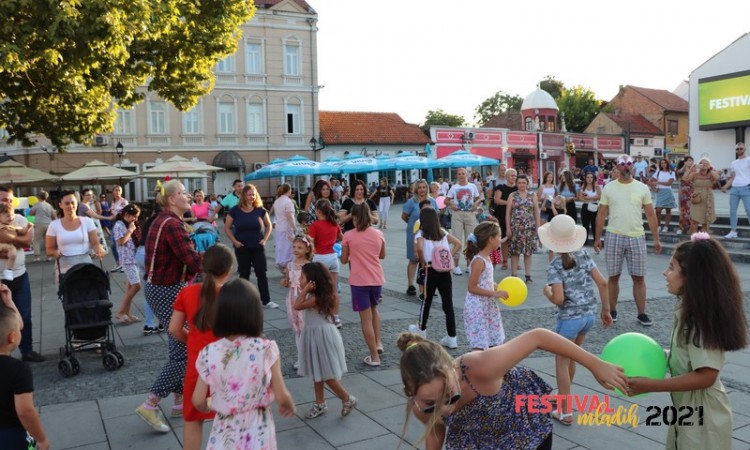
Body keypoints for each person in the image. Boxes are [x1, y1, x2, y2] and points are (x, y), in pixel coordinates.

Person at [397, 327, 629, 450]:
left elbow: (538, 336)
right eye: (431, 404)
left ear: (452, 370)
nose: (445, 409)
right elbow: (436, 428)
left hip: (521, 425)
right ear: (411, 394)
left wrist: (595, 364)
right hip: (476, 439)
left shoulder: (481, 367)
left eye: (449, 396)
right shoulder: (420, 407)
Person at [627, 234, 748, 449]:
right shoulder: (689, 310)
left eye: (671, 268)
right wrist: (660, 355)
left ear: (692, 277)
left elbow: (707, 375)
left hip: (704, 415)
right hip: (687, 409)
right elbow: (689, 357)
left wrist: (652, 385)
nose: (665, 274)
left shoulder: (699, 319)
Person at [193, 278, 296, 449]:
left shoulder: (209, 353)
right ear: (255, 314)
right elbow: (281, 394)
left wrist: (210, 405)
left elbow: (198, 400)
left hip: (225, 432)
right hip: (258, 432)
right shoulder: (266, 349)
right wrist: (288, 404)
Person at [135, 180, 203, 433]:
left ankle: (178, 400)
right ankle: (150, 404)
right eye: (184, 193)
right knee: (184, 351)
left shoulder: (161, 219)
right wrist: (218, 263)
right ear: (172, 199)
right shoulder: (173, 224)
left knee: (179, 347)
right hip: (168, 290)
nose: (188, 196)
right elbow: (192, 260)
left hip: (160, 288)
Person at [539, 214, 612, 424]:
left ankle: (565, 412)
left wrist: (547, 293)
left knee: (561, 363)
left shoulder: (554, 266)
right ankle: (563, 395)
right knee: (571, 358)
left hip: (570, 319)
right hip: (588, 315)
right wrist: (606, 310)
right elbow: (603, 283)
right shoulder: (584, 254)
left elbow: (560, 299)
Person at [167, 244, 234, 450]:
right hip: (228, 368)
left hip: (198, 368)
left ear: (203, 267)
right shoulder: (234, 295)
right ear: (228, 269)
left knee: (193, 419)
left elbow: (174, 329)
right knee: (230, 420)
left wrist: (193, 342)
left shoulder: (187, 293)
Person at [594, 154, 661, 326]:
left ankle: (642, 313)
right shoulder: (609, 188)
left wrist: (656, 238)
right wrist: (597, 238)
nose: (627, 167)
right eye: (623, 165)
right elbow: (601, 213)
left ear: (633, 166)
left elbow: (651, 214)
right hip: (614, 235)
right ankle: (612, 310)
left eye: (629, 164)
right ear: (617, 166)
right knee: (614, 276)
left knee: (639, 277)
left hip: (637, 236)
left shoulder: (642, 188)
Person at [294, 262, 358, 419]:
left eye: (302, 277)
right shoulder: (320, 295)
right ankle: (319, 402)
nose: (299, 279)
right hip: (317, 334)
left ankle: (347, 398)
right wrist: (306, 290)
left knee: (326, 373)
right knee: (318, 371)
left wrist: (304, 290)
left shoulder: (316, 298)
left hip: (321, 337)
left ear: (312, 282)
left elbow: (297, 305)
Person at [0, 297, 49, 450]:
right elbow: (25, 411)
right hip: (11, 436)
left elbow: (15, 323)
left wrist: (8, 300)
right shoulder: (17, 369)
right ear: (12, 337)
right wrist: (41, 439)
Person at [408, 207, 461, 347]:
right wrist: (448, 255)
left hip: (431, 269)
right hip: (444, 270)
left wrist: (423, 261)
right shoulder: (442, 232)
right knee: (447, 303)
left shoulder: (421, 233)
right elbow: (458, 243)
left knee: (427, 300)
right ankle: (452, 337)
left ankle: (421, 329)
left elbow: (419, 248)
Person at [0, 187, 42, 363]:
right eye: (3, 200)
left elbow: (27, 241)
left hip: (20, 274)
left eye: (10, 200)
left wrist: (8, 238)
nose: (7, 203)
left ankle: (27, 350)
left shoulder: (20, 218)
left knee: (25, 315)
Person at [341, 202, 385, 367]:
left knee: (365, 319)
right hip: (376, 278)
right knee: (374, 309)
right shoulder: (379, 234)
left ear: (355, 218)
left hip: (359, 281)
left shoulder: (349, 235)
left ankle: (374, 356)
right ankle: (378, 342)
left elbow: (344, 260)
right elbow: (382, 255)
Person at [224, 183, 278, 309]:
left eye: (254, 194)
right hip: (242, 247)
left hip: (258, 247)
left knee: (261, 273)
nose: (252, 197)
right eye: (249, 195)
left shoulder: (260, 210)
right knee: (244, 274)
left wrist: (265, 239)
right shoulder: (235, 211)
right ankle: (244, 300)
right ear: (244, 195)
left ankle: (266, 300)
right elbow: (227, 228)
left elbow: (269, 225)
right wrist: (235, 242)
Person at [462, 222, 508, 350]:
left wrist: (493, 285)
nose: (500, 239)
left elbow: (483, 280)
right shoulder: (478, 261)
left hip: (487, 305)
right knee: (480, 345)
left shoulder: (487, 257)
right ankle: (477, 368)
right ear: (490, 239)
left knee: (494, 341)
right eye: (499, 236)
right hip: (477, 307)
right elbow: (472, 287)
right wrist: (494, 293)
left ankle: (491, 368)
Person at [46, 190, 107, 281]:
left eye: (73, 203)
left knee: (88, 293)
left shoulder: (87, 221)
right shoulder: (54, 225)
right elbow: (49, 249)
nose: (70, 206)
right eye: (67, 203)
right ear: (60, 205)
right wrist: (55, 252)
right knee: (67, 294)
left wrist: (99, 249)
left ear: (77, 204)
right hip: (64, 265)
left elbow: (95, 243)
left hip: (85, 263)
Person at [309, 198, 344, 327]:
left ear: (318, 211)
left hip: (320, 258)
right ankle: (336, 317)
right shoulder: (334, 224)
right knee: (333, 290)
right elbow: (341, 238)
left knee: (319, 290)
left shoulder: (314, 226)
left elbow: (310, 243)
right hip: (333, 258)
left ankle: (321, 314)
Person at [281, 235, 314, 366]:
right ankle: (301, 357)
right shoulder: (290, 266)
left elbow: (312, 283)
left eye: (300, 247)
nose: (296, 249)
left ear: (307, 249)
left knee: (305, 326)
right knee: (297, 328)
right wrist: (284, 282)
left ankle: (309, 356)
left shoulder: (309, 266)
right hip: (292, 299)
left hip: (304, 298)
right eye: (294, 247)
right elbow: (288, 281)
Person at [401, 179, 437, 296]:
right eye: (420, 187)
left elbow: (435, 216)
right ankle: (410, 285)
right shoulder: (412, 202)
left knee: (428, 260)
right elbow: (404, 216)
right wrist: (414, 225)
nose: (422, 189)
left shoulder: (432, 201)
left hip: (429, 233)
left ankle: (428, 286)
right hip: (414, 233)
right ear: (416, 189)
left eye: (424, 187)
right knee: (414, 259)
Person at [445, 168, 482, 275]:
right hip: (457, 214)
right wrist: (451, 204)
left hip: (470, 214)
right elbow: (446, 200)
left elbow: (479, 198)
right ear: (457, 175)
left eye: (463, 173)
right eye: (459, 174)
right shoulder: (454, 187)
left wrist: (476, 204)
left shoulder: (472, 186)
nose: (461, 176)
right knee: (456, 238)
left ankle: (469, 265)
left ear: (467, 175)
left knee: (470, 240)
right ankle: (456, 266)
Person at [506, 174, 540, 283]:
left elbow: (536, 212)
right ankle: (514, 274)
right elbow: (508, 213)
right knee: (515, 252)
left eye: (524, 183)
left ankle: (528, 275)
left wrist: (537, 226)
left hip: (529, 227)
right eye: (519, 183)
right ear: (517, 184)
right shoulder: (512, 195)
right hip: (515, 227)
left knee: (528, 252)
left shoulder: (532, 195)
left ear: (527, 183)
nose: (522, 185)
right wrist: (508, 228)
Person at [112, 204, 142, 324]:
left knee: (130, 287)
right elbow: (120, 242)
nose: (135, 219)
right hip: (127, 259)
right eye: (134, 216)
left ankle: (127, 314)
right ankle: (120, 313)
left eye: (136, 217)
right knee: (136, 286)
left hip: (133, 258)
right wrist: (130, 231)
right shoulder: (119, 225)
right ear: (126, 215)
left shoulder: (128, 224)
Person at [721, 142, 750, 239]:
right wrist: (725, 186)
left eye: (741, 148)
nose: (739, 150)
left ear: (744, 149)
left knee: (749, 210)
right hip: (734, 188)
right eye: (737, 149)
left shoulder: (749, 160)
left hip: (746, 188)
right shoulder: (734, 163)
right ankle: (733, 231)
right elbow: (732, 177)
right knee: (732, 211)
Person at [685, 156, 719, 234]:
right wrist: (690, 169)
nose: (703, 165)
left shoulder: (711, 173)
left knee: (706, 222)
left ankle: (704, 241)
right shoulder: (695, 174)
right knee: (694, 221)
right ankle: (692, 240)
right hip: (697, 199)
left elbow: (717, 178)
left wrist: (710, 168)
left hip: (708, 199)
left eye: (705, 163)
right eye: (701, 163)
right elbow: (685, 178)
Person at [492, 168, 518, 270]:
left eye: (515, 175)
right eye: (512, 175)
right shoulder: (501, 187)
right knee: (503, 238)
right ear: (506, 177)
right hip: (501, 214)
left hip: (514, 215)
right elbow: (497, 200)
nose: (514, 177)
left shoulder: (517, 188)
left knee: (515, 238)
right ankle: (504, 260)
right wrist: (510, 203)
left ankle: (515, 260)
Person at [0, 204, 32, 281]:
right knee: (12, 251)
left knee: (13, 253)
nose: (10, 218)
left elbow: (22, 231)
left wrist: (28, 227)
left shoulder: (13, 226)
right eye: (7, 216)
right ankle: (8, 270)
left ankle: (8, 269)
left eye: (11, 215)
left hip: (9, 247)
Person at [272, 183, 296, 272]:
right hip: (287, 228)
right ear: (289, 191)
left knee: (280, 247)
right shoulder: (288, 201)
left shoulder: (277, 201)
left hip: (278, 228)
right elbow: (290, 217)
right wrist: (294, 228)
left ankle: (281, 264)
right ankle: (287, 268)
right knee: (287, 249)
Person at [28, 190, 56, 263]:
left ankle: (37, 257)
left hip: (39, 223)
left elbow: (31, 213)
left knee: (36, 240)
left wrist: (36, 213)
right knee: (47, 240)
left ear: (38, 197)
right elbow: (53, 215)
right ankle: (49, 257)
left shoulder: (37, 204)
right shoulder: (49, 205)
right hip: (49, 223)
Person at [651, 158, 677, 233]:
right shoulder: (658, 172)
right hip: (660, 192)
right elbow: (650, 181)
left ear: (667, 164)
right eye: (662, 163)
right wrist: (654, 188)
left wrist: (658, 182)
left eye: (664, 163)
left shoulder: (671, 172)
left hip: (668, 191)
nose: (663, 164)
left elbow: (669, 183)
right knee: (658, 210)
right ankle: (658, 225)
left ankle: (666, 226)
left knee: (668, 209)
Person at [108, 185, 129, 272]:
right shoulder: (113, 201)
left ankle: (123, 263)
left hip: (121, 223)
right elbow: (112, 212)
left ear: (121, 192)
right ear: (113, 192)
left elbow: (123, 213)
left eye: (119, 190)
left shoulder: (123, 201)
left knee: (118, 243)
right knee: (113, 243)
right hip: (113, 223)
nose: (117, 192)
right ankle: (119, 262)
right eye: (115, 190)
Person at [577, 172, 601, 244]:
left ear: (593, 178)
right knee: (585, 225)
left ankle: (595, 241)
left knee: (594, 225)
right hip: (585, 206)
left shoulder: (597, 187)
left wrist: (588, 198)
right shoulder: (582, 187)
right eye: (588, 177)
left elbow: (599, 196)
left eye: (591, 177)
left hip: (594, 206)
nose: (589, 179)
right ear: (585, 178)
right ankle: (585, 242)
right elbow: (580, 198)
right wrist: (591, 198)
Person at [675, 156, 695, 235]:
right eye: (689, 161)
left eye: (691, 161)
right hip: (683, 192)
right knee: (683, 210)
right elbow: (680, 176)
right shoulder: (681, 170)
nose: (690, 162)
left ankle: (691, 227)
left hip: (692, 191)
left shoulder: (694, 170)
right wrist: (685, 166)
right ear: (685, 162)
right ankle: (681, 227)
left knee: (691, 211)